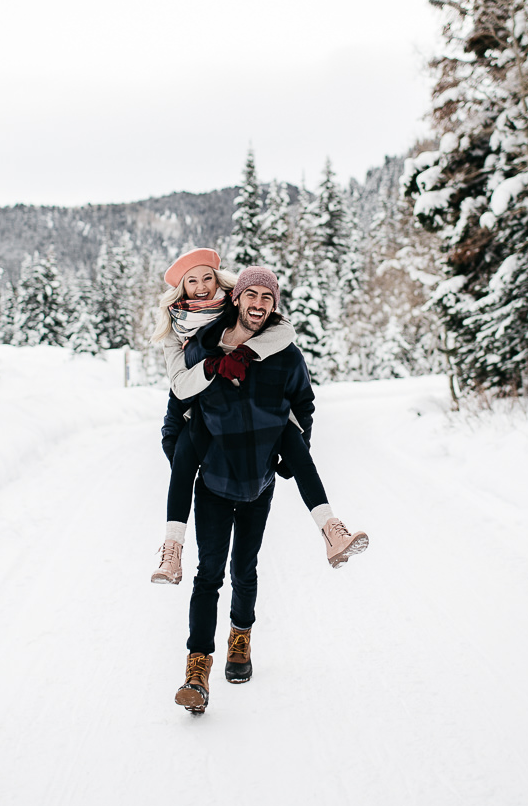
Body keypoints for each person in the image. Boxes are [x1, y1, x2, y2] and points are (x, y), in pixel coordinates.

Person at [170, 264, 368, 714]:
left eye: (267, 298)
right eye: (252, 295)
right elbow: (175, 407)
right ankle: (196, 670)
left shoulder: (286, 355)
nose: (259, 304)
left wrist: (285, 453)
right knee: (209, 575)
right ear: (237, 298)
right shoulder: (205, 347)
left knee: (245, 567)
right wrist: (179, 457)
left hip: (257, 483)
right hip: (215, 484)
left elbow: (305, 405)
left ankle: (241, 638)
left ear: (273, 306)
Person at [149, 249, 366, 590]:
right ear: (182, 289)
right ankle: (172, 547)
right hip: (205, 410)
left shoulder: (232, 307)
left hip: (253, 416)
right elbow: (178, 388)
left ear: (223, 287)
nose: (202, 286)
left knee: (288, 431)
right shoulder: (180, 334)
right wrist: (213, 366)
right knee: (185, 453)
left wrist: (246, 351)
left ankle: (330, 528)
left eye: (208, 277)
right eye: (192, 280)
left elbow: (282, 330)